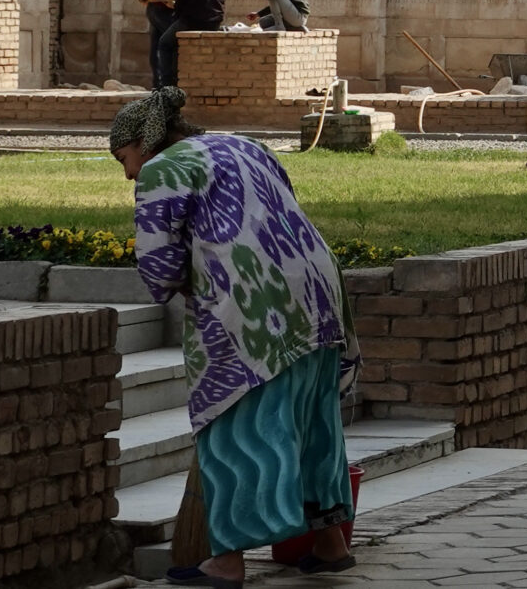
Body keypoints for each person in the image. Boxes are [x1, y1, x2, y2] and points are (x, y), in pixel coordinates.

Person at [113, 86, 359, 580]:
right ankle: (331, 545)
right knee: (313, 423)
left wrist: (178, 285)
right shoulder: (246, 145)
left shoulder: (165, 169)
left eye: (124, 157)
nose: (128, 172)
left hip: (250, 305)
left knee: (239, 428)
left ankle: (226, 562)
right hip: (315, 290)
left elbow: (158, 264)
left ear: (146, 141)